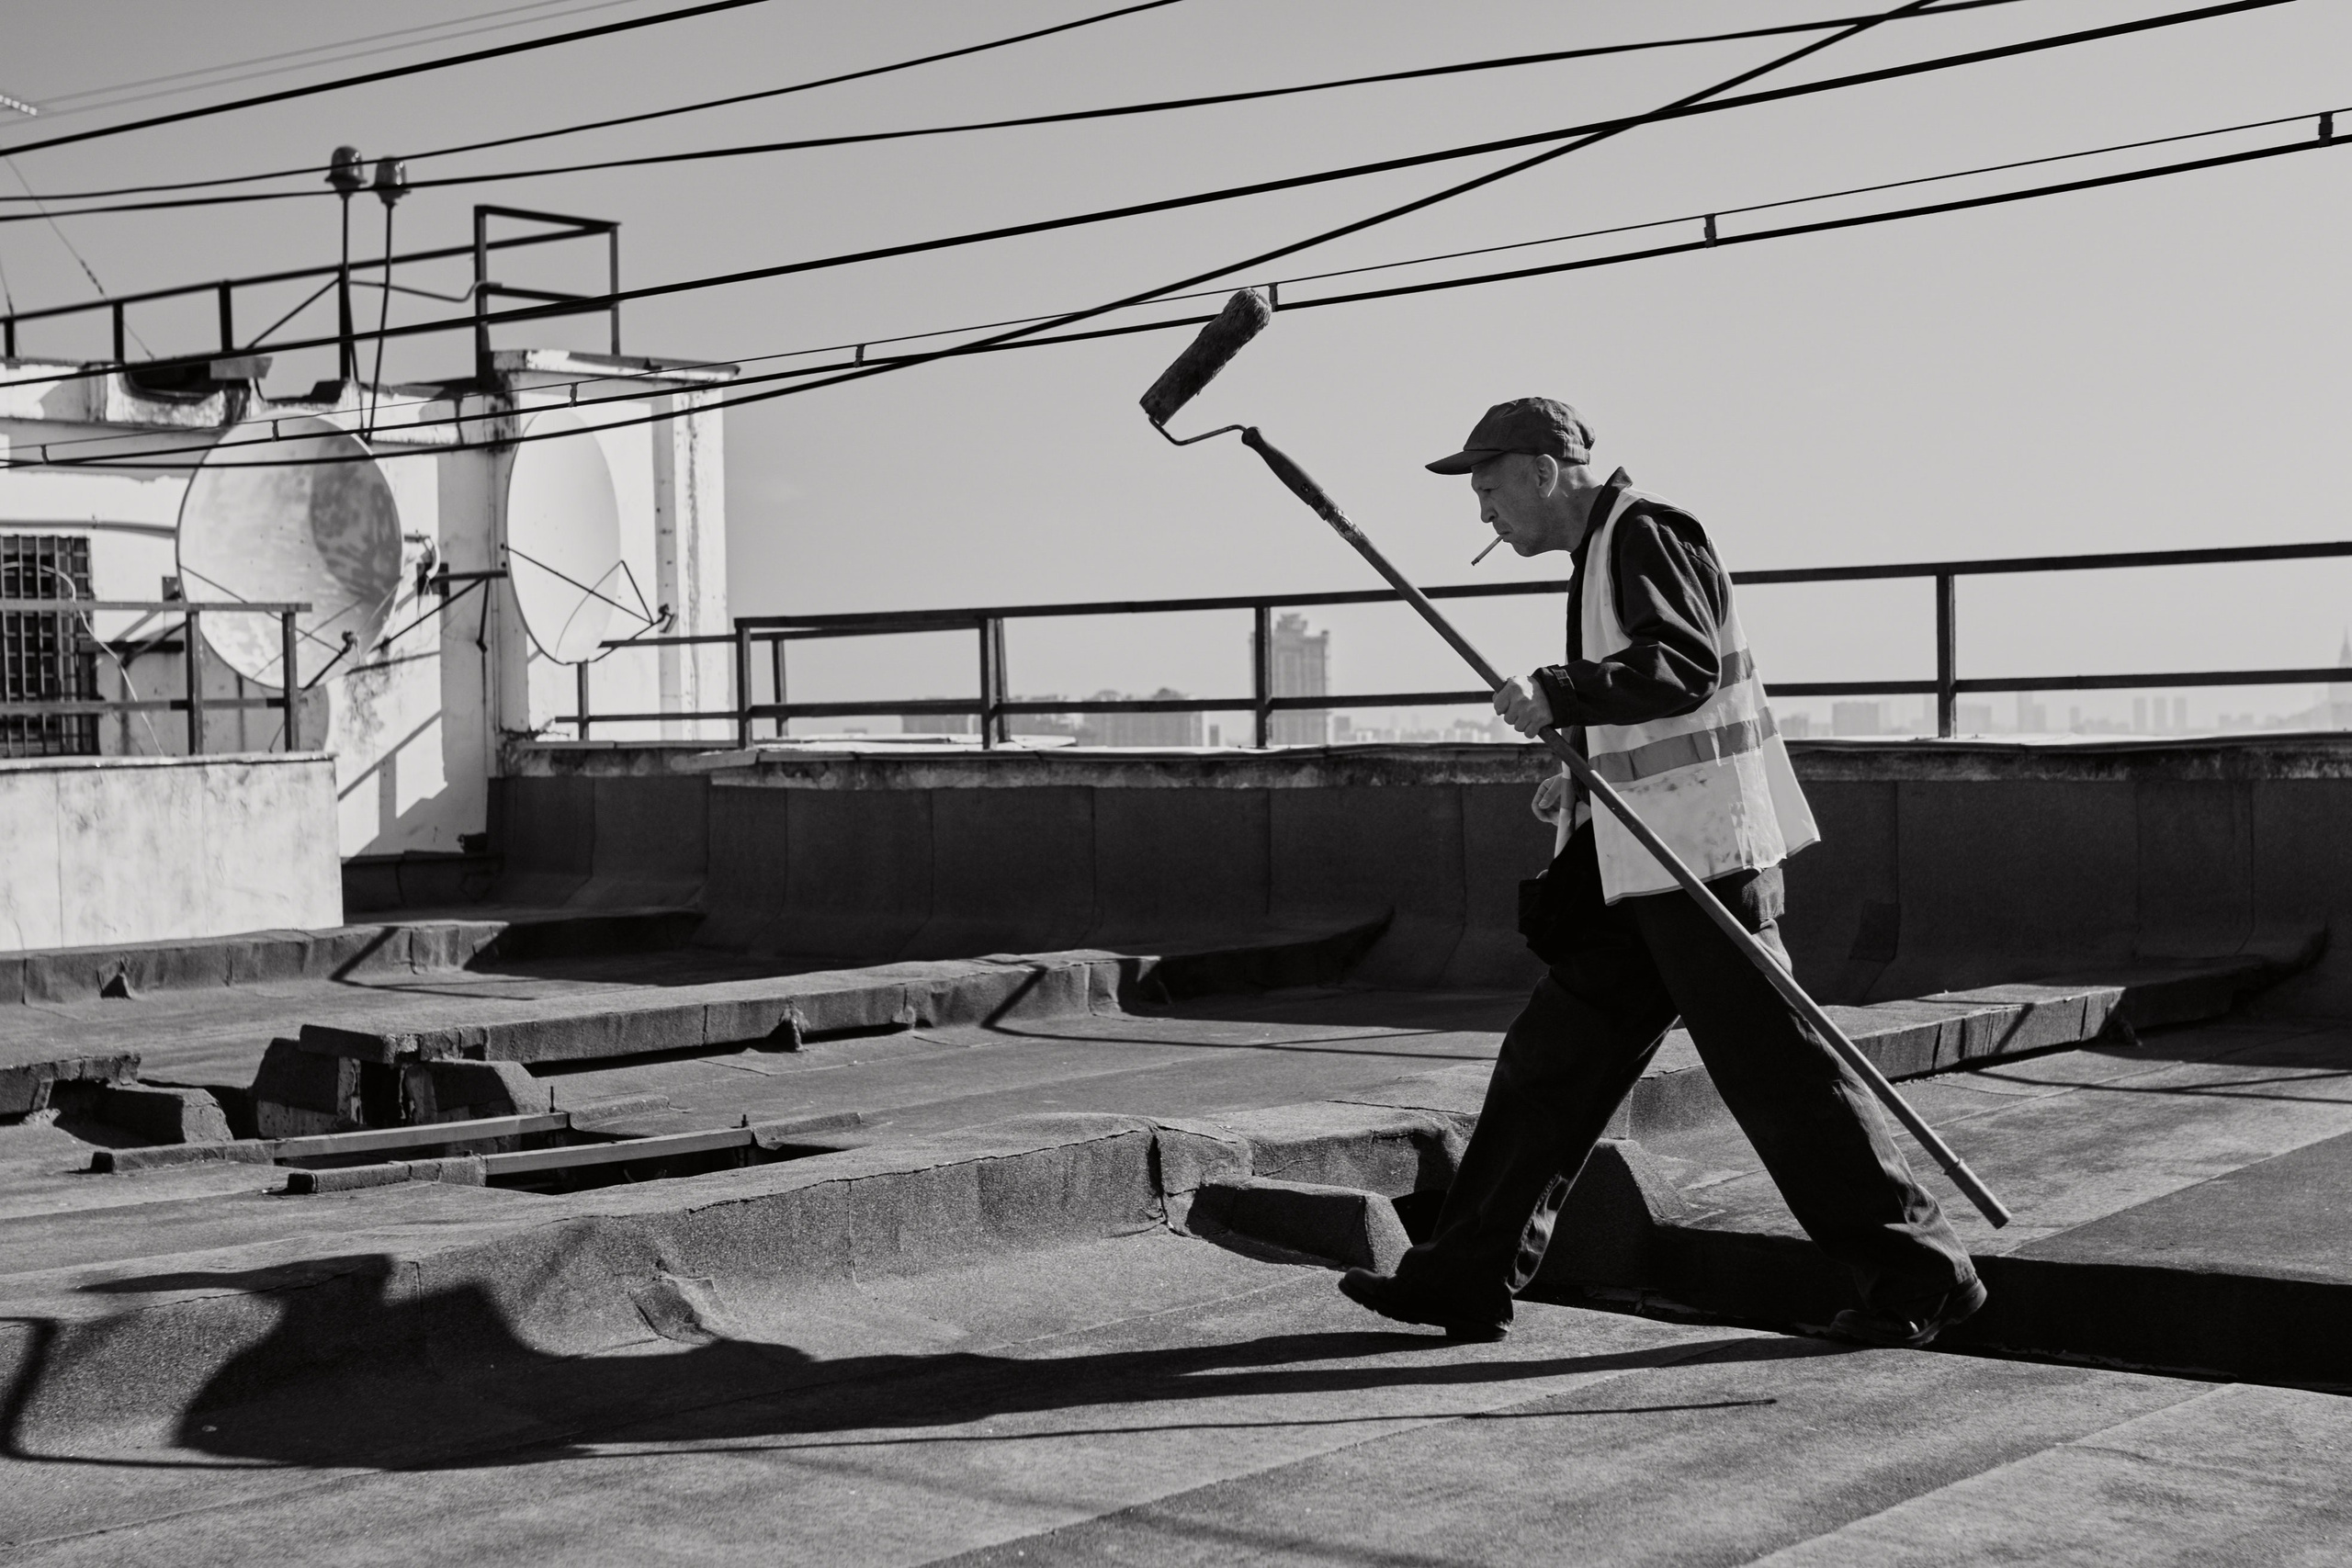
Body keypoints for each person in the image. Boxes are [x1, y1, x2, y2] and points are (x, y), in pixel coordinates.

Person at [1337, 397, 1984, 1348]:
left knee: (1783, 1078)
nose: (1483, 511)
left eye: (1488, 486)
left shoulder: (1645, 534)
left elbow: (1680, 664)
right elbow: (1654, 703)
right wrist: (1582, 776)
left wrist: (1558, 690)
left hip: (1699, 864)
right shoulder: (1603, 553)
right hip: (1638, 865)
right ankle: (1462, 1278)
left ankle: (1919, 1277)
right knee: (1546, 1072)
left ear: (1544, 470)